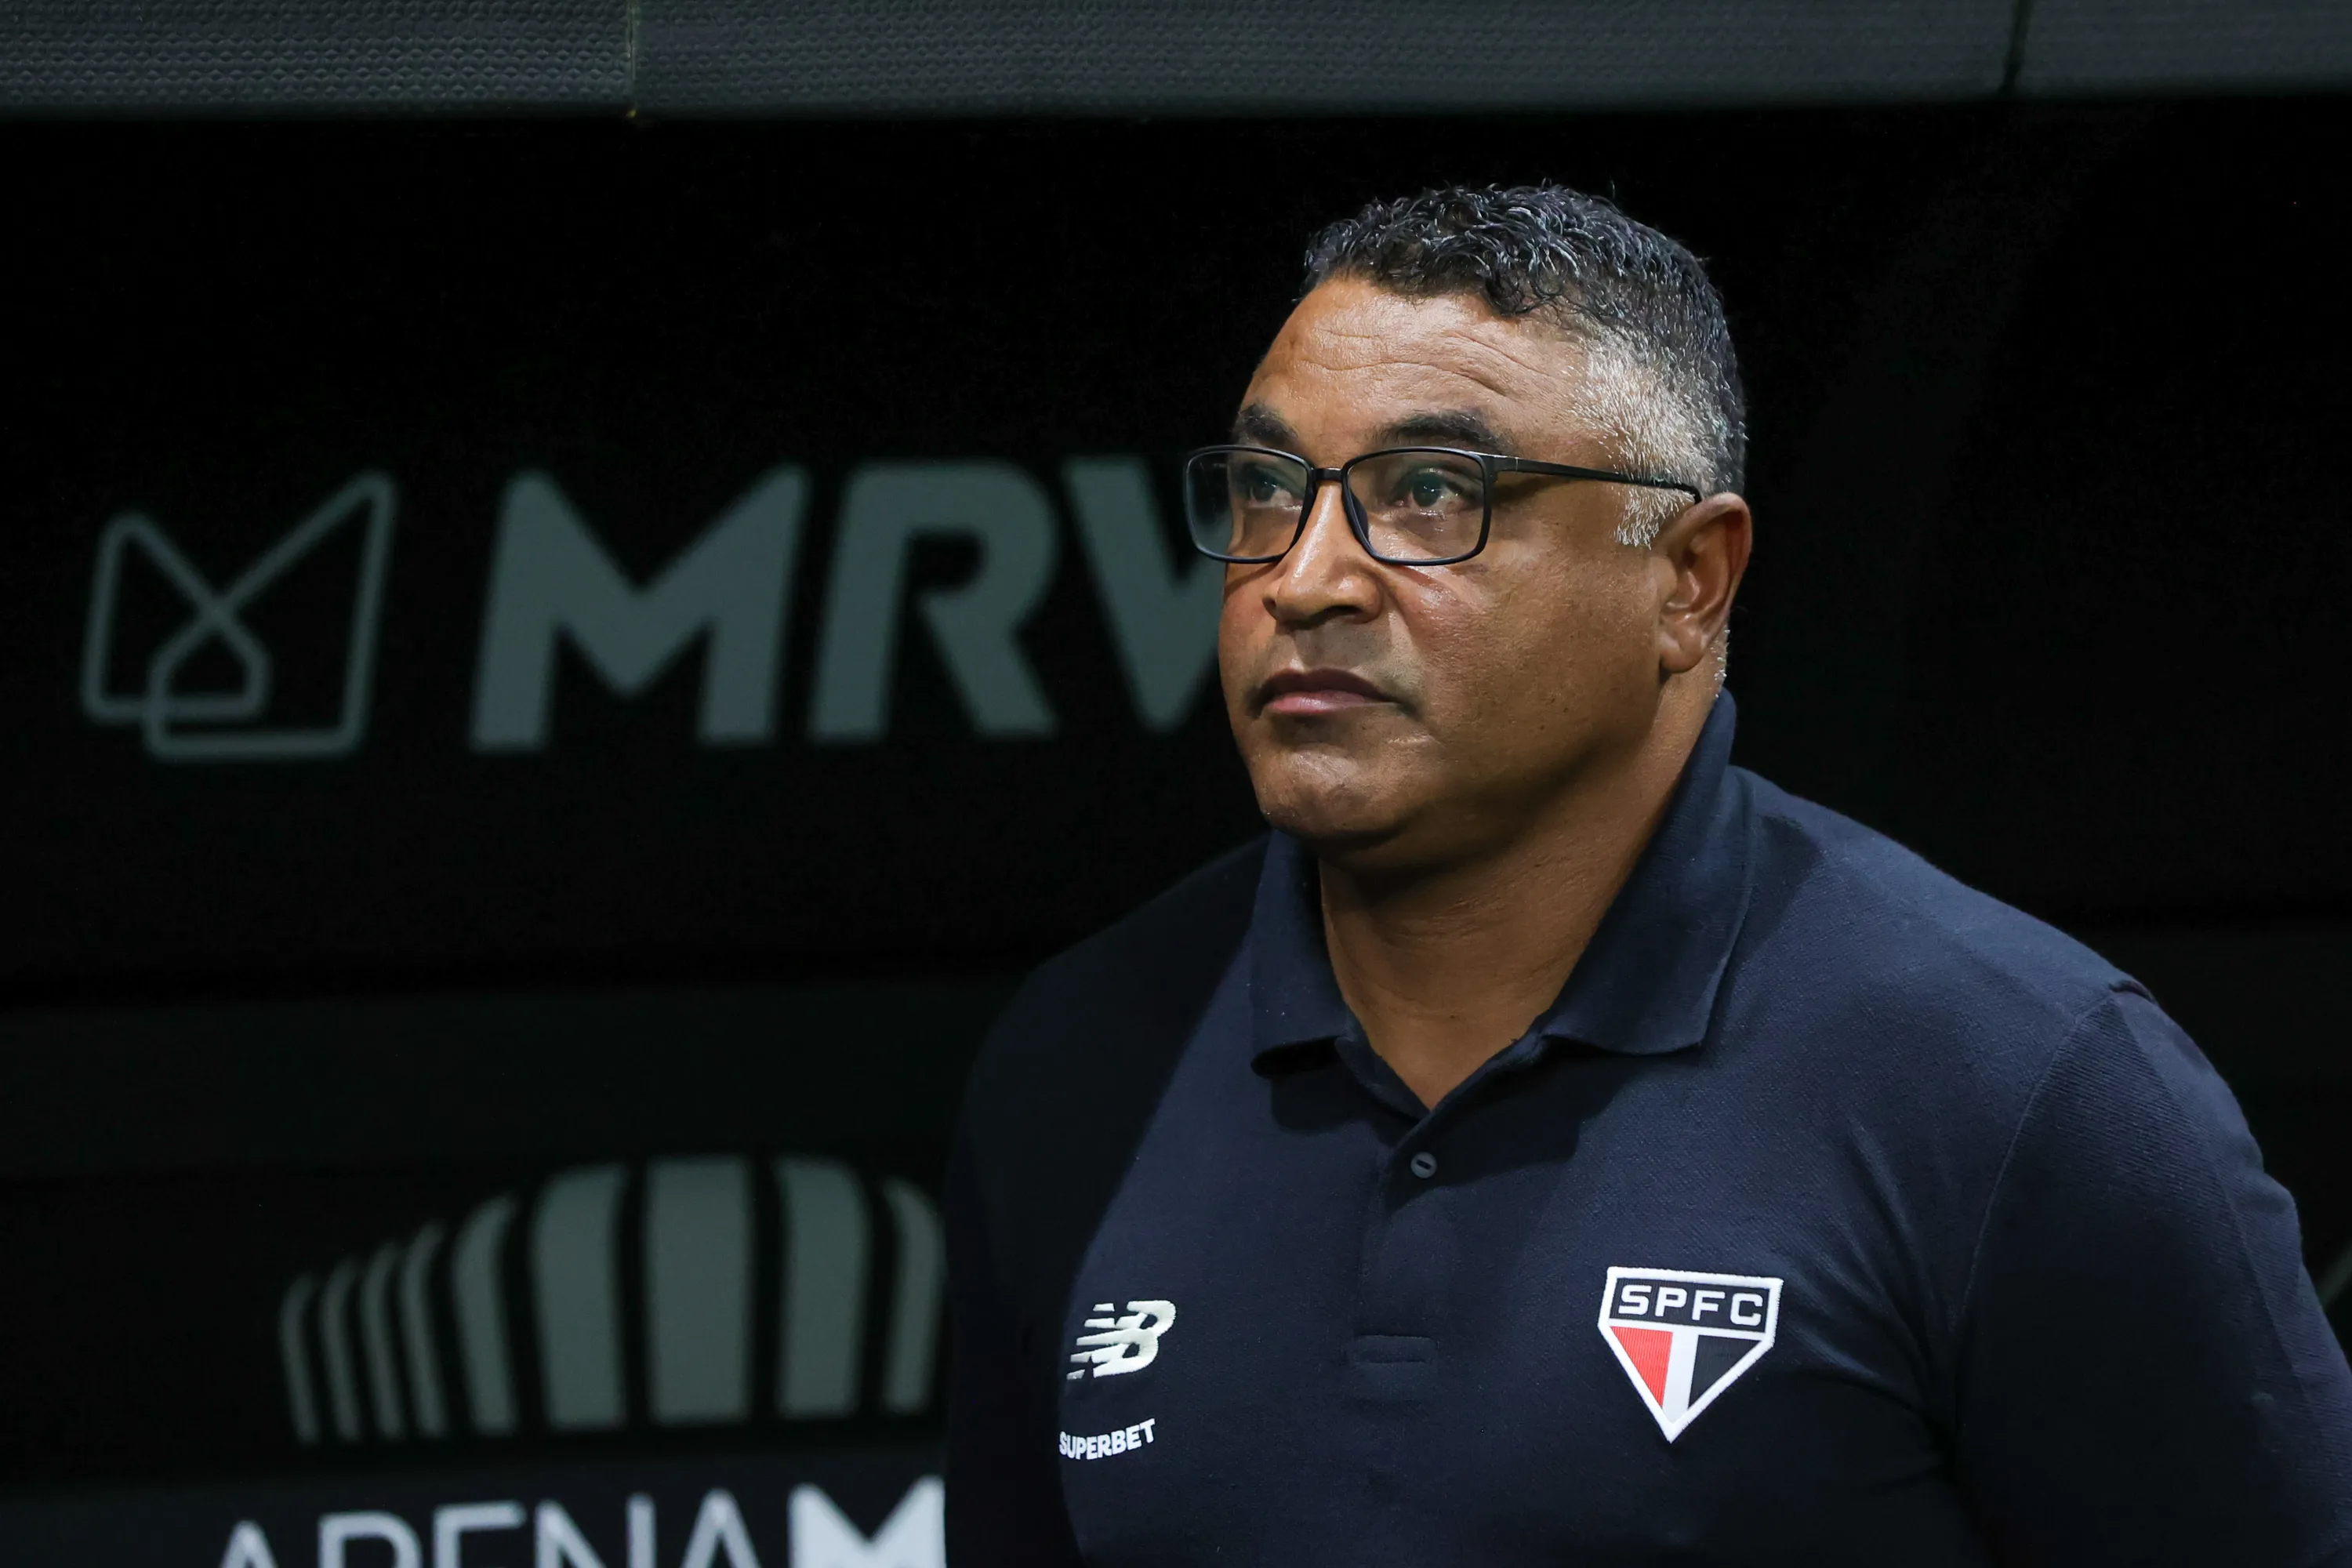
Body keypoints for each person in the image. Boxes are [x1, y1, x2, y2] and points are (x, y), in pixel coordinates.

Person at [943, 183, 2352, 1564]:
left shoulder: (2021, 1084)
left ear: (1688, 580)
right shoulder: (1080, 1063)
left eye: (1431, 493)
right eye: (1267, 489)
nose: (1306, 579)